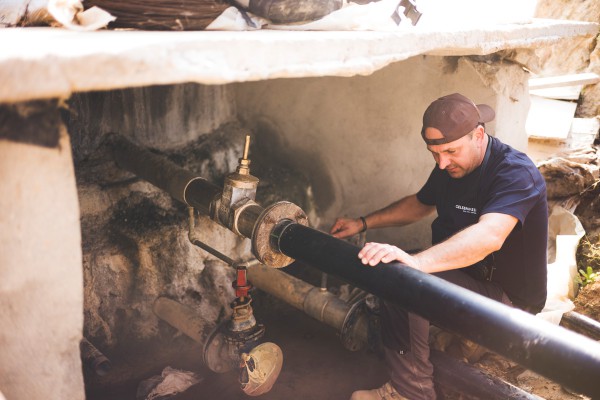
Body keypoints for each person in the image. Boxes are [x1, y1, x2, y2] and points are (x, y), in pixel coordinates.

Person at [330, 93, 548, 400]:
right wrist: (363, 223)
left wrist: (416, 265)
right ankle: (425, 357)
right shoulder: (454, 164)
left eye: (450, 151)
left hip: (508, 303)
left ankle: (410, 391)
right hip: (468, 280)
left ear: (479, 135)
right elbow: (420, 204)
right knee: (398, 269)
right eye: (434, 154)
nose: (443, 162)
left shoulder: (514, 172)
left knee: (405, 278)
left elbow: (489, 236)